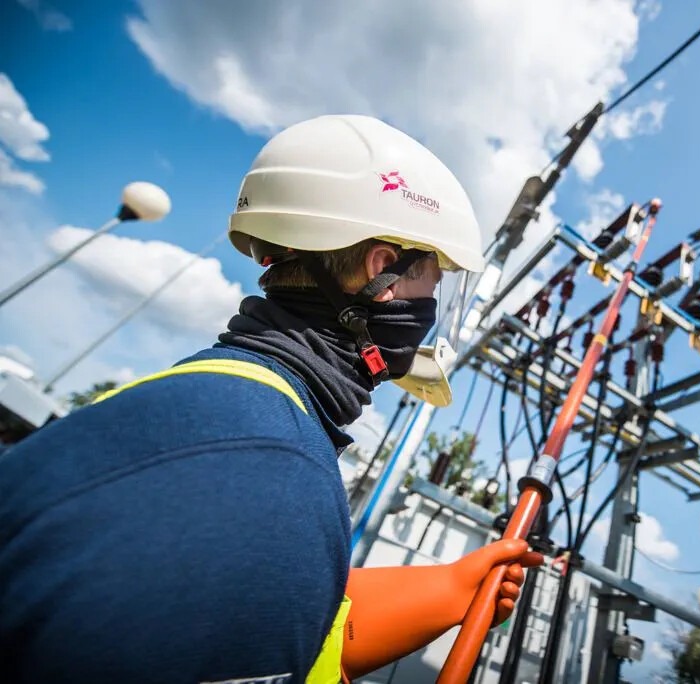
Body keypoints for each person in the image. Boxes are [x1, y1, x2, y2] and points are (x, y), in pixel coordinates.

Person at [0, 115, 542, 683]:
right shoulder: (268, 471)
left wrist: (450, 589)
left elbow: (273, 618)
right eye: (433, 280)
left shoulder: (220, 409)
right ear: (382, 271)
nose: (431, 309)